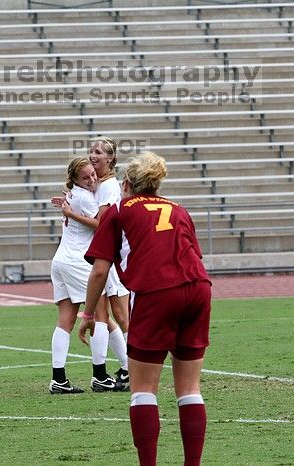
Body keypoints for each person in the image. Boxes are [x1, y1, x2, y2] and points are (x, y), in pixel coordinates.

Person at [82, 152, 211, 466]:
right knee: (190, 388)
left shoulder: (118, 211)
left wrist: (87, 314)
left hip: (157, 292)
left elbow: (100, 271)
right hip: (198, 289)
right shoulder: (178, 209)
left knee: (142, 389)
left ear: (126, 184)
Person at [50, 157, 127, 393]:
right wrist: (71, 213)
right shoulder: (83, 196)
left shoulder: (75, 193)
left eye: (93, 174)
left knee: (66, 319)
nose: (92, 179)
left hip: (61, 260)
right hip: (78, 260)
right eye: (86, 177)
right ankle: (100, 375)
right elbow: (100, 225)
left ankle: (59, 379)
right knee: (100, 316)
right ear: (74, 179)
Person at [87, 137, 131, 385]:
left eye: (98, 152)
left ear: (111, 158)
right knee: (105, 315)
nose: (93, 155)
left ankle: (134, 365)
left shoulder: (110, 186)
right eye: (91, 151)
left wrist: (73, 214)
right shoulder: (100, 185)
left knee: (121, 316)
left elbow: (102, 225)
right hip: (103, 255)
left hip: (111, 256)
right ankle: (124, 367)